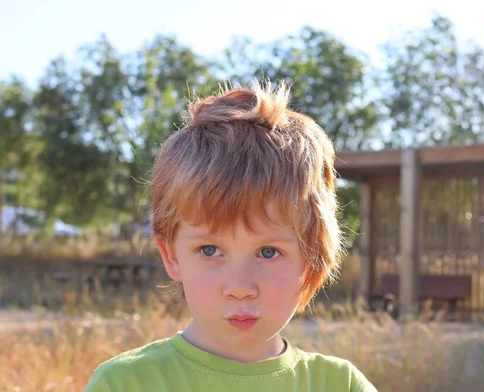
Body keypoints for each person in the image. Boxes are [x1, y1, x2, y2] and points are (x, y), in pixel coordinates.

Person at [84, 80, 377, 391]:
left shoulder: (339, 385)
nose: (240, 288)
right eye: (210, 250)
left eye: (268, 252)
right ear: (171, 255)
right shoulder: (125, 384)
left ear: (311, 258)